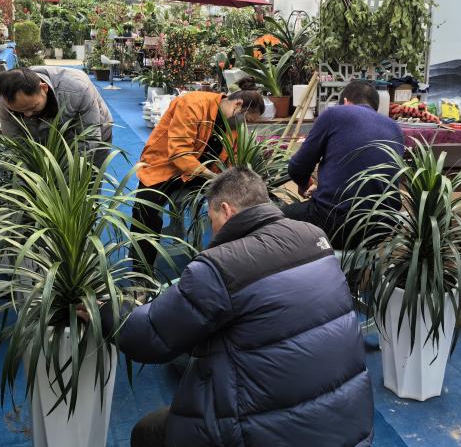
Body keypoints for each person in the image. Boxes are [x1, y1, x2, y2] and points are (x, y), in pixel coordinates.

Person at [115, 167, 374, 447]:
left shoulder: (220, 265)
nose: (212, 230)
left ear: (226, 211)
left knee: (148, 432)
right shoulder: (315, 237)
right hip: (352, 429)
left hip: (262, 435)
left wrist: (112, 310)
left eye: (211, 219)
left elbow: (149, 337)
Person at [131, 80, 264, 269]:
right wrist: (214, 177)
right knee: (146, 209)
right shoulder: (193, 104)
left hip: (204, 173)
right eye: (248, 120)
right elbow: (179, 153)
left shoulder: (234, 125)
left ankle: (228, 260)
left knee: (234, 204)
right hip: (165, 166)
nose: (246, 125)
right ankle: (141, 269)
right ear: (238, 104)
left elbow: (232, 158)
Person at [282, 80, 405, 248]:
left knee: (274, 220)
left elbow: (298, 167)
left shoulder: (334, 114)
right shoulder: (394, 128)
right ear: (375, 108)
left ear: (346, 102)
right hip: (380, 228)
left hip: (335, 223)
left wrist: (305, 184)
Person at [0, 66, 112, 163]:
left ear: (44, 88)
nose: (28, 114)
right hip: (46, 140)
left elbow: (88, 140)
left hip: (94, 134)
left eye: (32, 107)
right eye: (19, 111)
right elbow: (15, 142)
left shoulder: (77, 90)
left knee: (87, 179)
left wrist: (65, 178)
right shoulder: (6, 100)